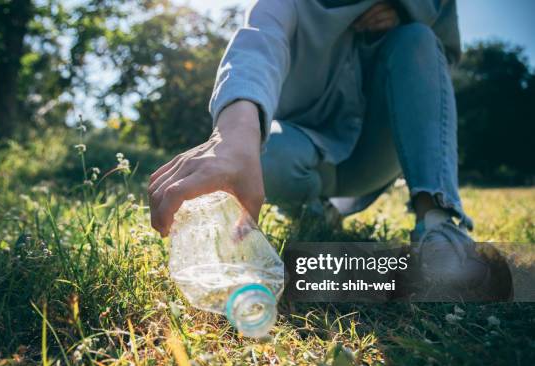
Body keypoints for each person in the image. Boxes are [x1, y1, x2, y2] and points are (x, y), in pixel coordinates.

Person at [148, 0, 491, 295]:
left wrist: (405, 19)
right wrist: (233, 138)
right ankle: (315, 209)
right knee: (262, 153)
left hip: (377, 151)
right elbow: (257, 43)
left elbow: (440, 60)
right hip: (305, 146)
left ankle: (436, 220)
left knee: (418, 39)